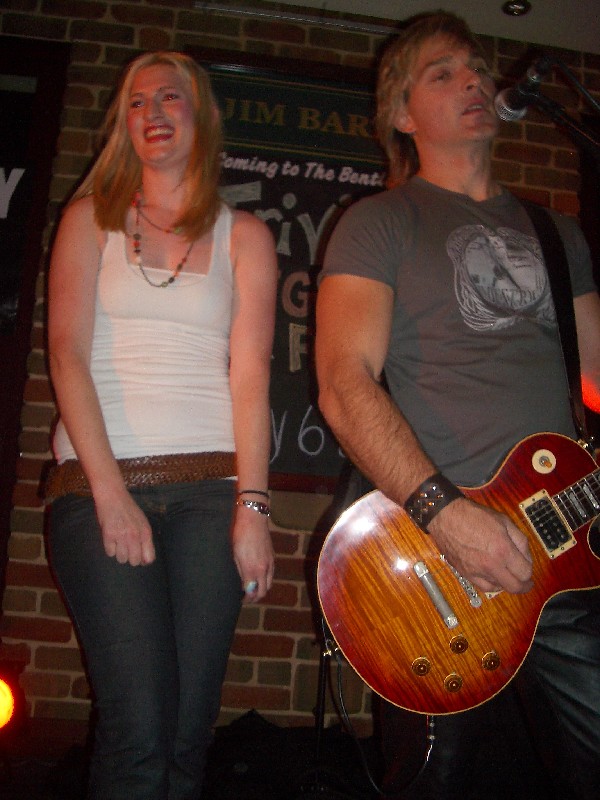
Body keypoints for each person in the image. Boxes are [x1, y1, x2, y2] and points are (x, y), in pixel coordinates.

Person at [316, 11, 600, 800]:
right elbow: (343, 384)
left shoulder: (558, 234)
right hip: (435, 564)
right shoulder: (379, 222)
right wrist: (447, 515)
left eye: (476, 67)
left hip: (565, 550)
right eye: (442, 73)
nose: (473, 79)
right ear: (402, 115)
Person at [44, 51, 277, 800]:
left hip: (211, 492)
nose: (152, 111)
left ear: (200, 116)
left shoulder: (245, 236)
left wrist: (253, 507)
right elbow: (66, 356)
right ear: (124, 124)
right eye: (137, 101)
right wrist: (111, 495)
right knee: (138, 728)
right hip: (100, 486)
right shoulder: (89, 220)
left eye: (169, 96)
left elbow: (251, 377)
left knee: (186, 732)